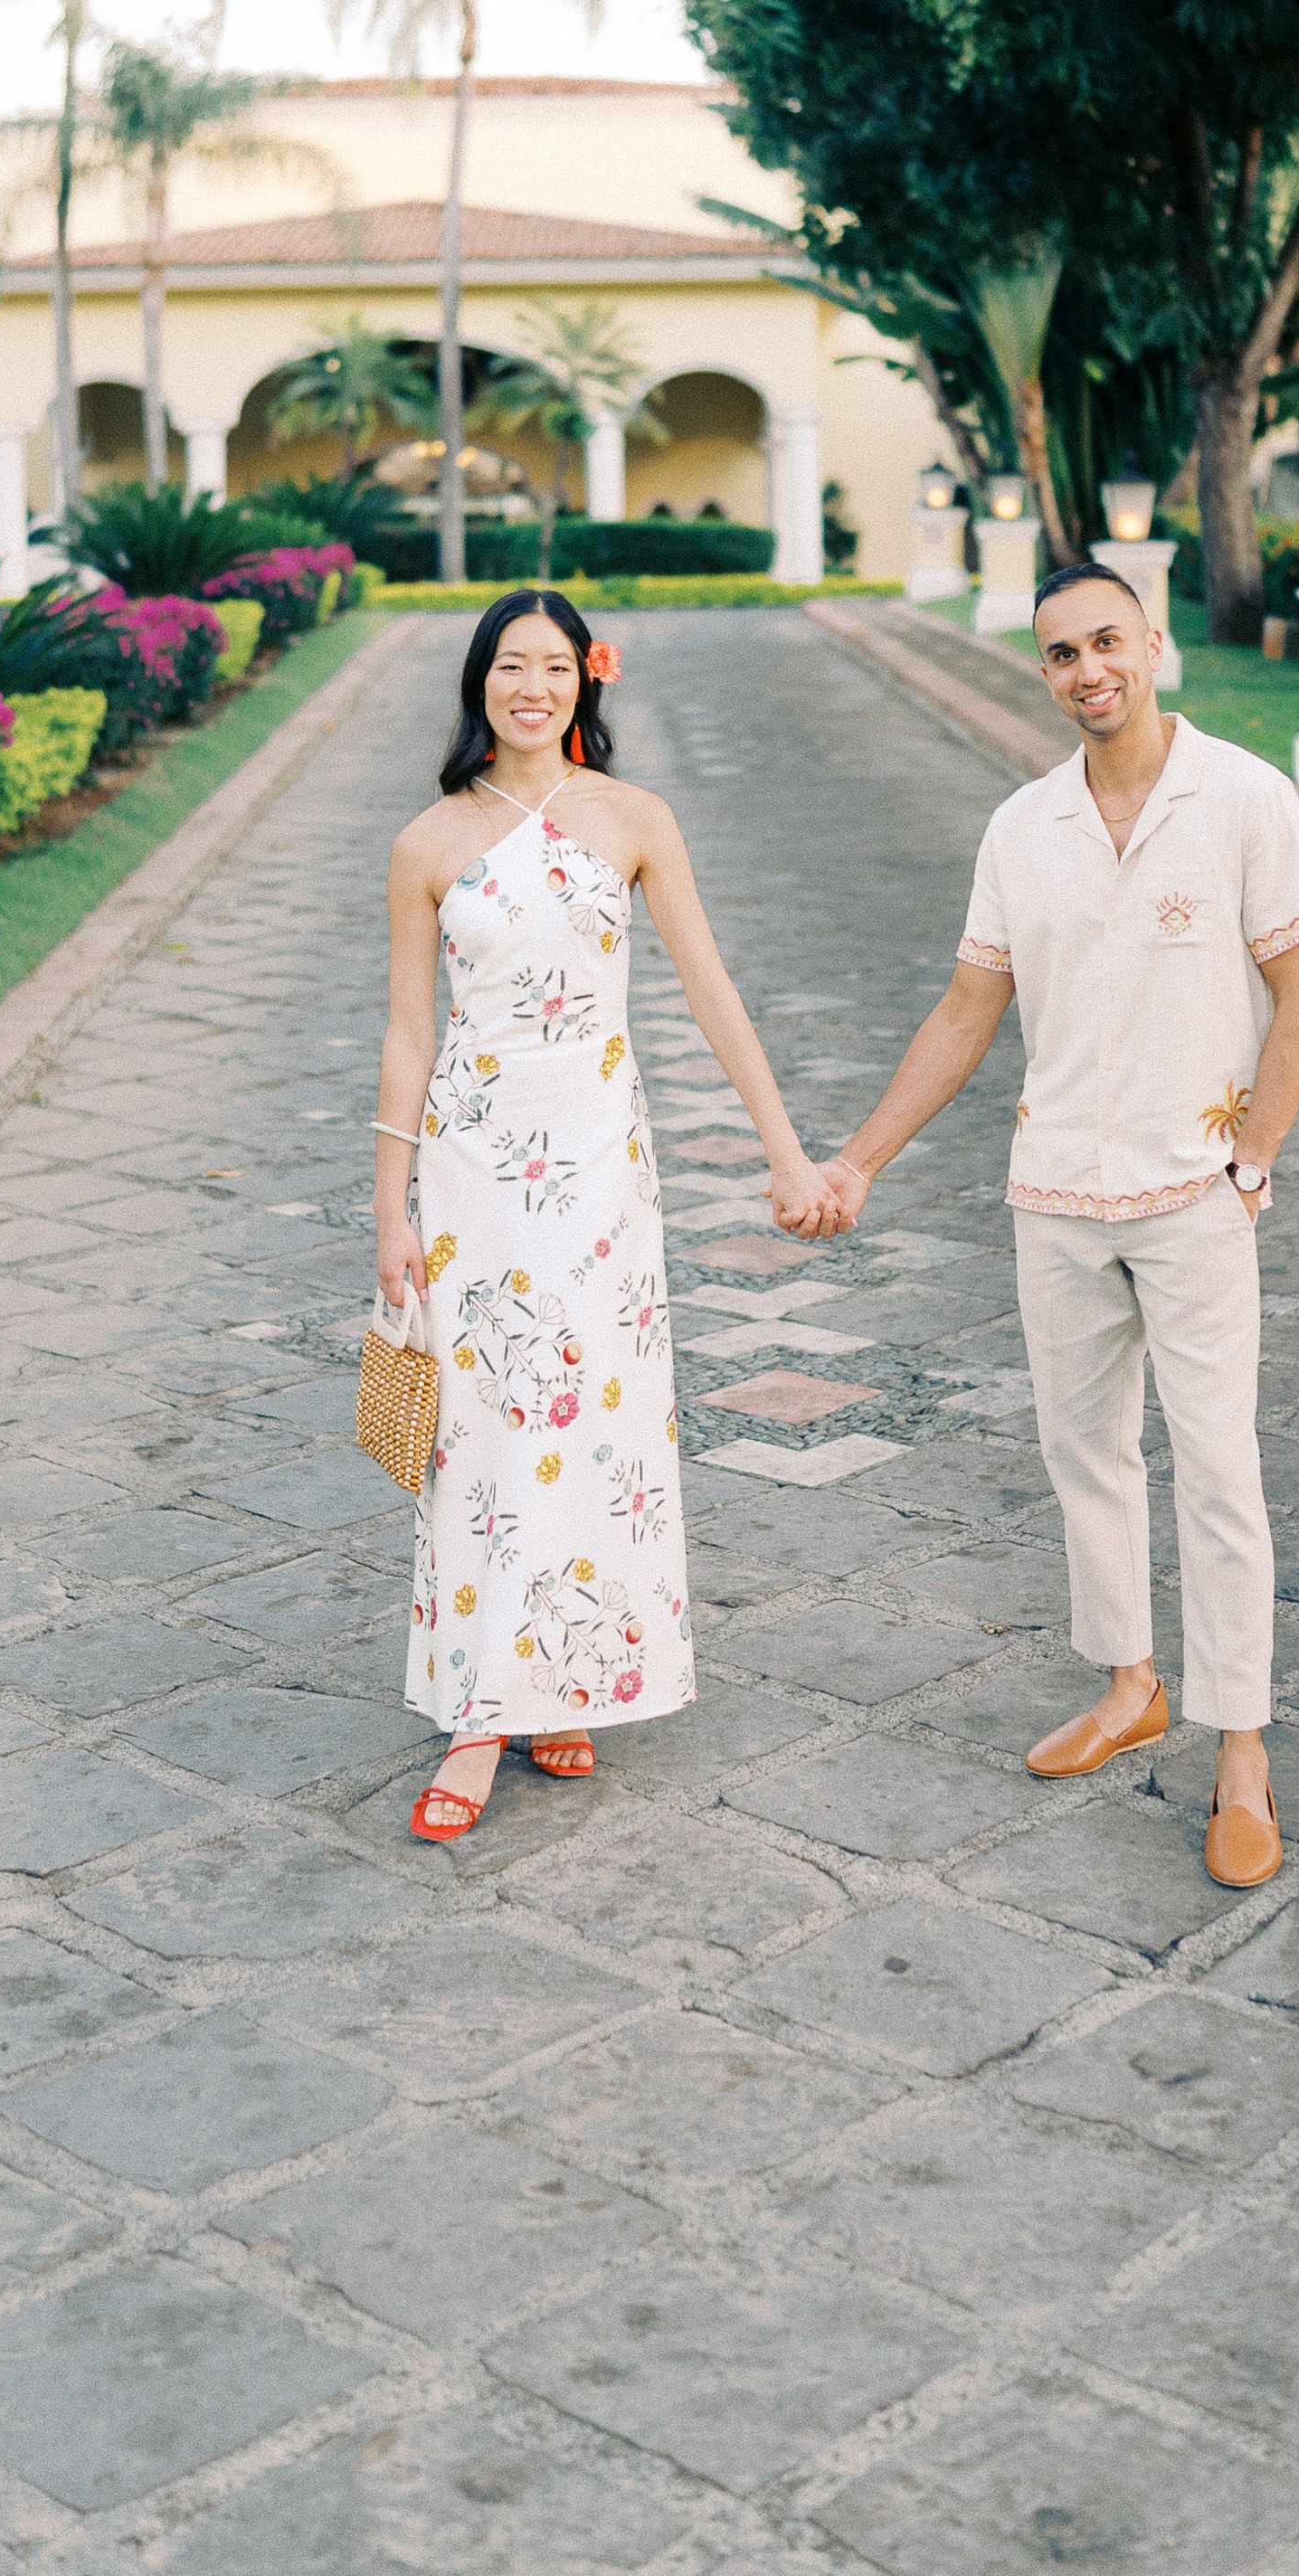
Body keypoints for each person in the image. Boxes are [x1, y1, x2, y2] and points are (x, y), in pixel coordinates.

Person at [800, 559, 1299, 1889]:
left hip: (1195, 1192)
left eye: (1108, 641)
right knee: (1085, 1452)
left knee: (1218, 1470)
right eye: (1061, 654)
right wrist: (860, 1157)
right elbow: (967, 1012)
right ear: (1042, 673)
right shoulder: (1021, 828)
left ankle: (1243, 1751)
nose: (1089, 669)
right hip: (1056, 1195)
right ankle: (1130, 1683)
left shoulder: (1244, 801)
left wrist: (1254, 1158)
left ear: (1153, 644)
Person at [374, 587, 831, 1842]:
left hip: (598, 1170)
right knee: (484, 1431)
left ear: (588, 680)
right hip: (473, 1171)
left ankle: (562, 1677)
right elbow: (411, 1030)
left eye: (555, 666)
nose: (533, 686)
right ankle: (480, 1713)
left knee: (593, 1428)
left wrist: (786, 1155)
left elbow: (709, 987)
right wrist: (390, 1208)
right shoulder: (428, 842)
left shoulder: (634, 821)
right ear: (480, 682)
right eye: (511, 666)